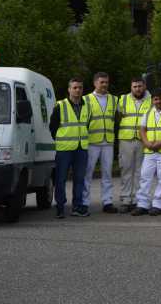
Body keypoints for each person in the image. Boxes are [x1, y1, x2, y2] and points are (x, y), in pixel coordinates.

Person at [131, 88, 161, 216]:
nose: (158, 101)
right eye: (155, 99)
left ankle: (158, 205)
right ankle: (142, 205)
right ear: (152, 100)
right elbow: (142, 129)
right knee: (145, 177)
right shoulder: (148, 112)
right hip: (150, 151)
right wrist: (146, 143)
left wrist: (160, 143)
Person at [50, 78, 90, 218]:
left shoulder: (87, 106)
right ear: (69, 89)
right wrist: (60, 140)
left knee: (79, 179)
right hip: (64, 149)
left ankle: (77, 207)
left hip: (81, 148)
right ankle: (60, 207)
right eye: (75, 87)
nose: (78, 90)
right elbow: (53, 127)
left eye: (80, 87)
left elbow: (87, 125)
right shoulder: (60, 105)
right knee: (60, 179)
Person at [83, 72, 119, 214]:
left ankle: (107, 202)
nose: (104, 85)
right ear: (95, 83)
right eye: (101, 82)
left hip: (108, 142)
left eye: (106, 82)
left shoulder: (114, 99)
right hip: (91, 142)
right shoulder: (86, 99)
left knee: (107, 173)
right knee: (87, 173)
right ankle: (84, 202)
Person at [116, 78, 151, 213]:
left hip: (143, 139)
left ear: (144, 86)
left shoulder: (151, 100)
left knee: (140, 171)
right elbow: (117, 117)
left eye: (140, 86)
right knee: (126, 169)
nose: (137, 89)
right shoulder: (123, 99)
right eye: (135, 86)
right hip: (126, 139)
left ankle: (137, 200)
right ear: (131, 87)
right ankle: (126, 199)